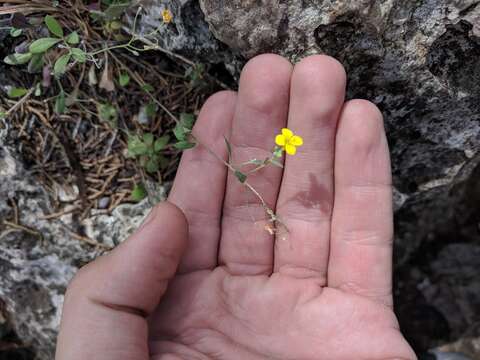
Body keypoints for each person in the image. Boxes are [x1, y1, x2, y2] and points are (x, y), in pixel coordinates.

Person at [55, 54, 417, 360]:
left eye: (287, 144)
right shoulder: (279, 147)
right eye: (286, 143)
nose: (286, 143)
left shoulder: (282, 148)